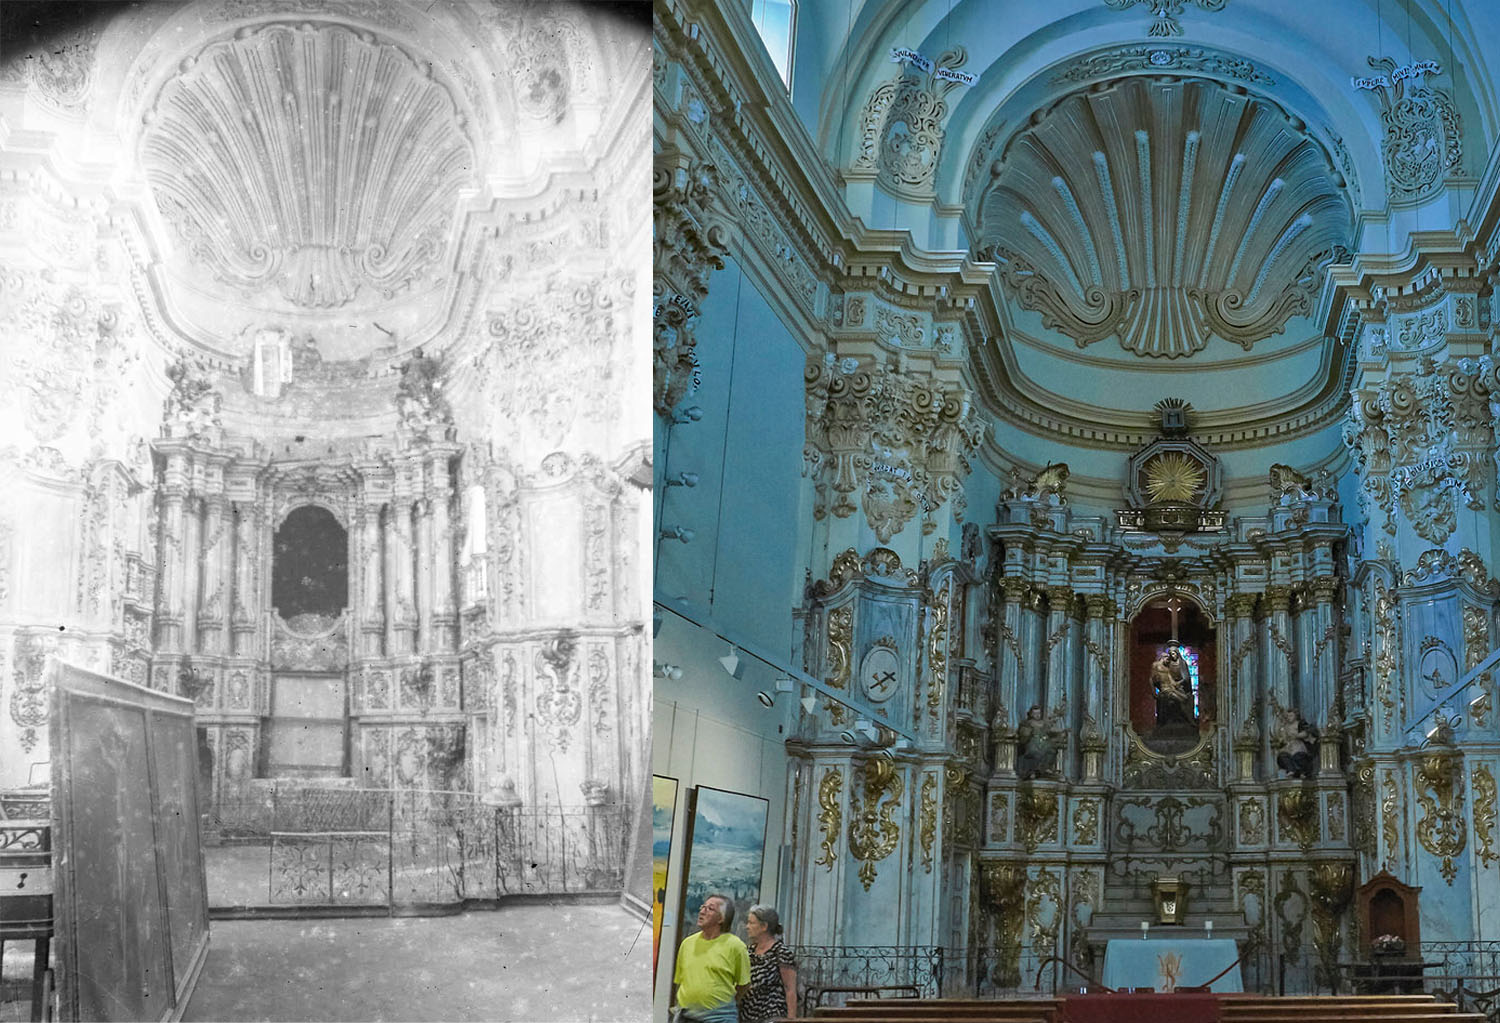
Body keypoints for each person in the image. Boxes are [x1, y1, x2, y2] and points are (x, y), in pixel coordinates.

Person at [673, 894, 750, 1023]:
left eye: (710, 908)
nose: (702, 911)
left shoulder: (736, 946)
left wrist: (722, 1004)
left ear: (721, 918)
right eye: (702, 907)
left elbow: (744, 985)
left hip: (720, 1018)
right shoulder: (687, 943)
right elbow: (680, 981)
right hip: (686, 1017)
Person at [742, 905, 796, 1023]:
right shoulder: (748, 951)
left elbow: (790, 989)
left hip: (772, 1015)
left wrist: (791, 1020)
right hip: (747, 1015)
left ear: (764, 926)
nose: (747, 927)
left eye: (751, 923)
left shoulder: (781, 952)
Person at [1150, 643, 1195, 730]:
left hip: (1181, 685)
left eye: (1173, 653)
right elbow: (1155, 678)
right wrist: (1154, 689)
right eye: (1170, 654)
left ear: (1177, 653)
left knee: (1186, 698)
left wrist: (1178, 684)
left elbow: (1186, 678)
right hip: (1167, 688)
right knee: (1172, 700)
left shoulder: (1182, 663)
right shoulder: (1164, 665)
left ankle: (1189, 721)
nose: (1172, 656)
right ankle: (1165, 723)